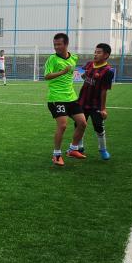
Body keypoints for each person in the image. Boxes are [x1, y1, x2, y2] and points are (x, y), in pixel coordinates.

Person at [44, 33, 87, 166]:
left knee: (82, 123)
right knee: (62, 126)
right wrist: (62, 72)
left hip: (71, 98)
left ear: (66, 44)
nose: (56, 47)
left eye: (59, 44)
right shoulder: (52, 59)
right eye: (55, 44)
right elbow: (47, 76)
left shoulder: (73, 57)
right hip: (56, 98)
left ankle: (73, 149)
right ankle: (56, 154)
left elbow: (72, 73)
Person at [71, 43, 114, 161]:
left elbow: (104, 91)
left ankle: (103, 149)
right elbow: (84, 75)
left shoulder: (108, 71)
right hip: (82, 100)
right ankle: (79, 147)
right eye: (95, 52)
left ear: (106, 55)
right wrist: (88, 79)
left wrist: (103, 108)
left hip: (96, 104)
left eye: (99, 52)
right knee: (78, 124)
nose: (95, 54)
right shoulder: (89, 64)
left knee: (98, 126)